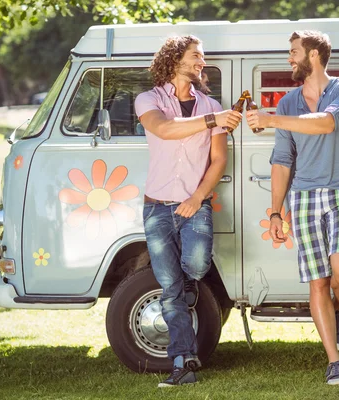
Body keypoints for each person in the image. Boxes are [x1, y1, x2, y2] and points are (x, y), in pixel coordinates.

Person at [246, 30, 339, 385]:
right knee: (318, 282)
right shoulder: (288, 102)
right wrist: (276, 212)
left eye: (294, 52)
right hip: (304, 197)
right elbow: (282, 160)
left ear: (313, 55)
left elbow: (327, 124)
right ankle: (334, 361)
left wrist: (269, 120)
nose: (289, 58)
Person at [134, 35, 242, 387]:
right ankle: (183, 361)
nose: (201, 62)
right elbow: (164, 130)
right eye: (196, 56)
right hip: (156, 208)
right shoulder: (148, 100)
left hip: (194, 206)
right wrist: (213, 120)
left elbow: (219, 160)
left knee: (195, 265)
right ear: (174, 59)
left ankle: (189, 285)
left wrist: (197, 198)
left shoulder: (210, 103)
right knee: (169, 289)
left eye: (202, 57)